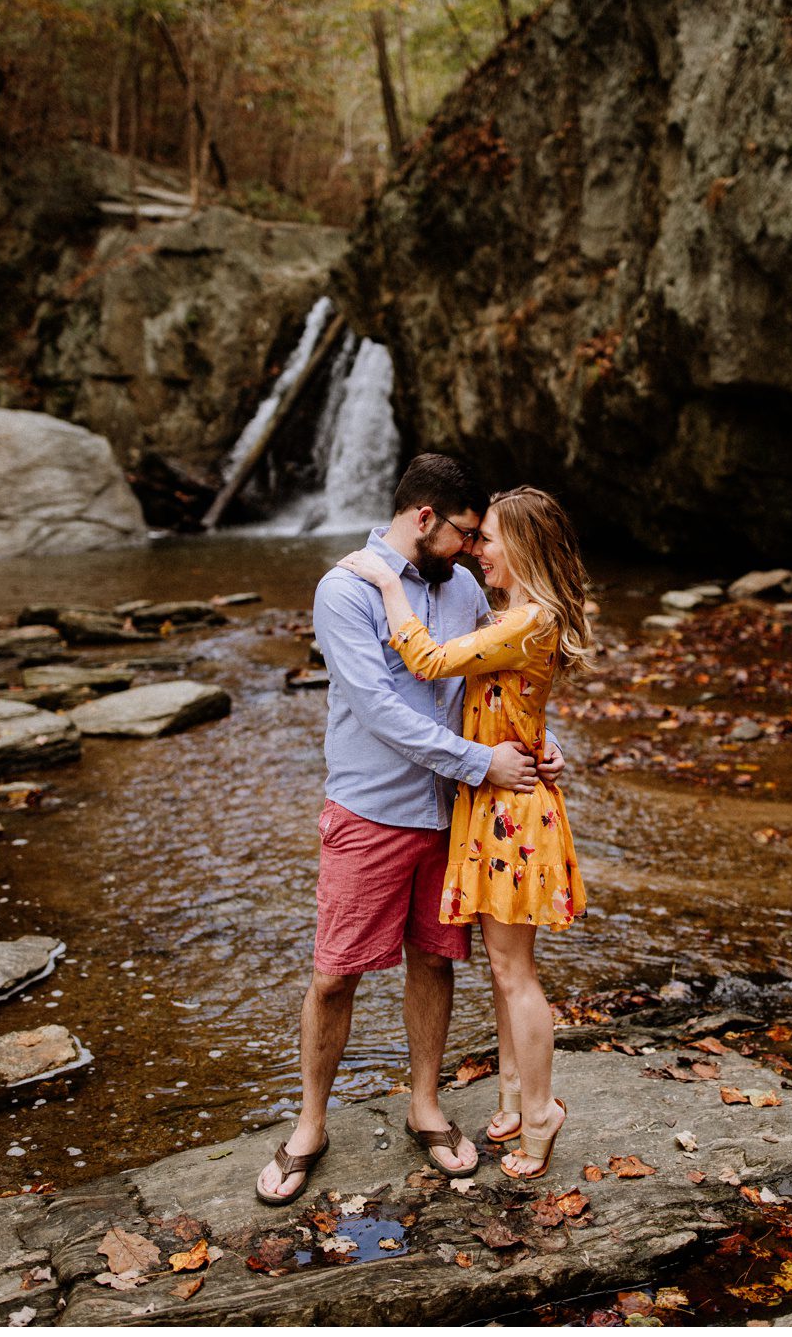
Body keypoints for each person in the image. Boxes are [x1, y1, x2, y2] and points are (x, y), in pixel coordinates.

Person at [256, 454, 566, 1206]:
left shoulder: (465, 587)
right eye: (465, 532)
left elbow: (495, 682)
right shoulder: (346, 586)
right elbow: (377, 708)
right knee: (335, 972)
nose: (472, 548)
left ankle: (426, 1107)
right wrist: (479, 763)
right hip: (373, 810)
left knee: (435, 961)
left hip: (456, 815)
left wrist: (534, 746)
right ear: (424, 519)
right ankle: (309, 1125)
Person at [336, 485, 594, 1180]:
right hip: (497, 800)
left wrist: (389, 583)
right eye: (473, 537)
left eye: (490, 538)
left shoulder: (525, 618)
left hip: (510, 811)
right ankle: (512, 1097)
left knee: (514, 972)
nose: (477, 549)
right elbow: (505, 703)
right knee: (505, 971)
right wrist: (542, 742)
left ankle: (540, 1114)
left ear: (523, 548)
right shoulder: (520, 616)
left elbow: (426, 662)